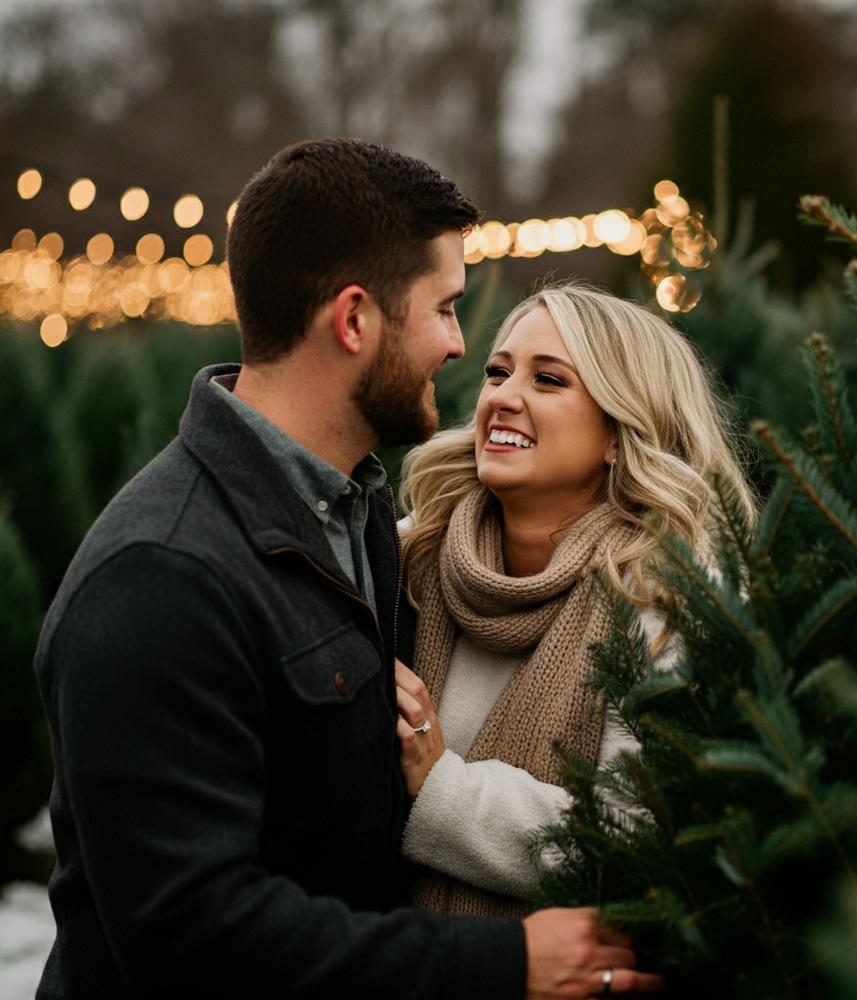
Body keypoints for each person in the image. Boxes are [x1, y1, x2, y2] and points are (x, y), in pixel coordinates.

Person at [33, 141, 662, 999]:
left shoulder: (364, 521)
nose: (457, 346)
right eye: (444, 308)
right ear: (356, 319)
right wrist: (505, 964)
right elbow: (194, 938)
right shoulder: (161, 578)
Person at [393, 283, 756, 917]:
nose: (503, 397)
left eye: (549, 381)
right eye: (498, 372)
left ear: (620, 432)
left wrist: (438, 784)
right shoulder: (408, 558)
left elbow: (643, 837)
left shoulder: (671, 599)